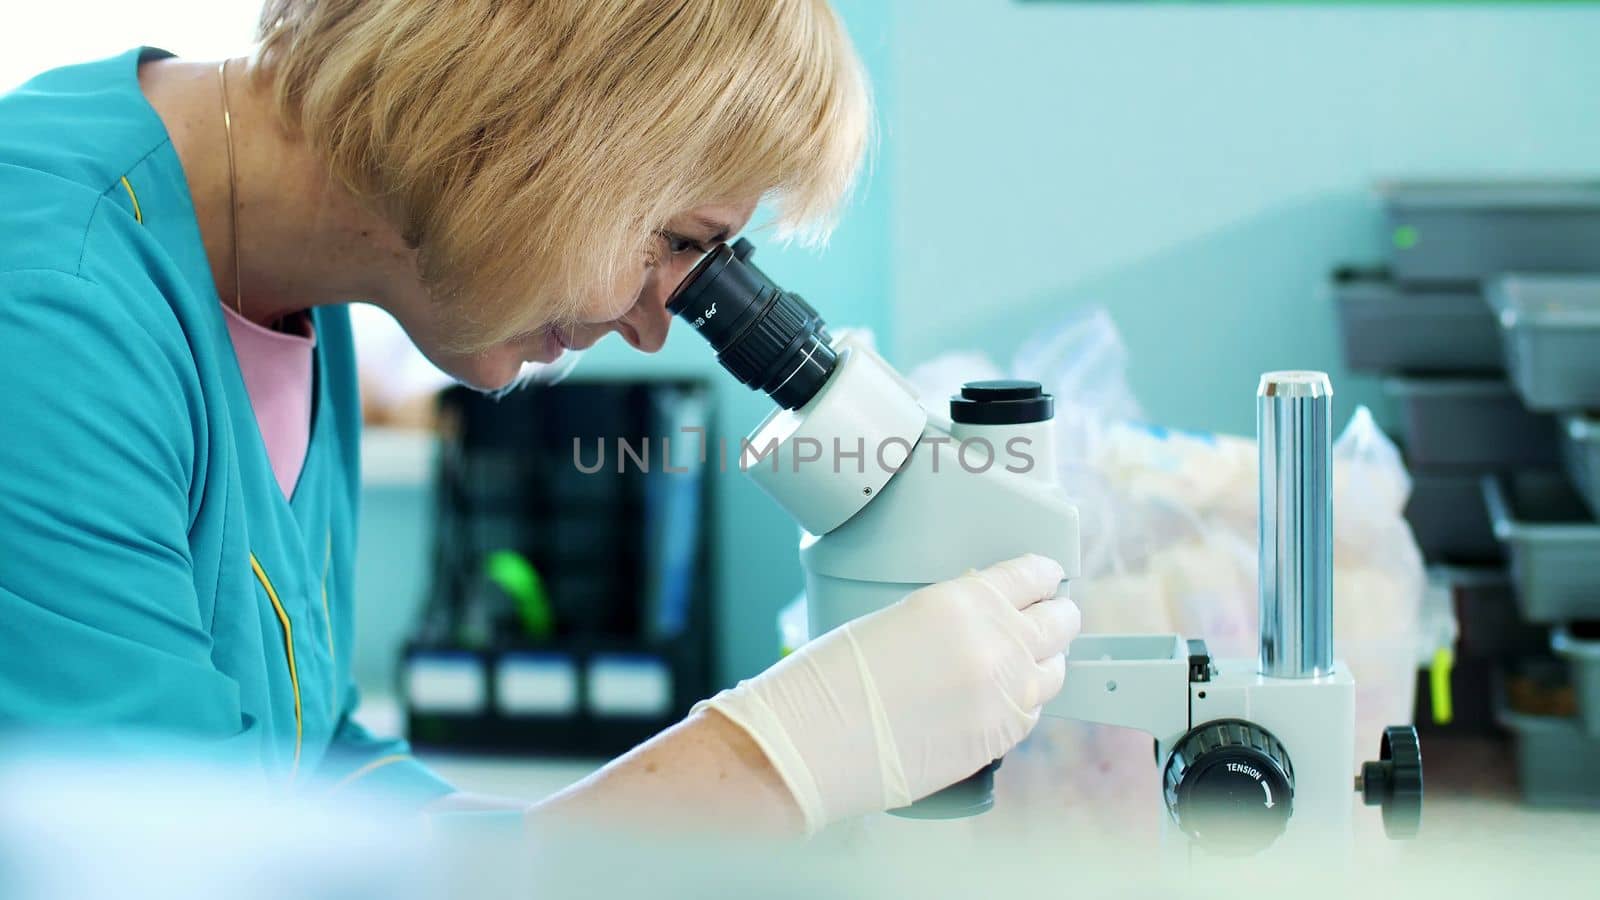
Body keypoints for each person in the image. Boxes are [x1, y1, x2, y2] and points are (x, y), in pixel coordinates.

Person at [0, 0, 1079, 835]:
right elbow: (170, 873)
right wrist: (773, 761)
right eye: (671, 241)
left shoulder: (287, 290)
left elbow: (304, 764)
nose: (659, 328)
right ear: (522, 112)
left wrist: (565, 838)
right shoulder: (51, 306)